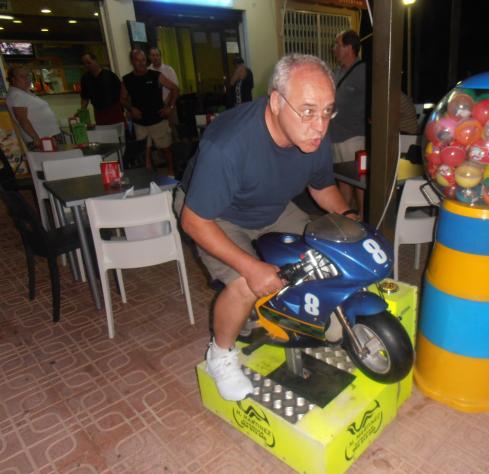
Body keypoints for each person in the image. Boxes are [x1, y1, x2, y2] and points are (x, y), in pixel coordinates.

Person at [180, 54, 357, 401]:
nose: (319, 126)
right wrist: (251, 266)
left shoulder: (314, 135)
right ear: (276, 102)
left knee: (325, 250)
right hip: (213, 213)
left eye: (327, 112)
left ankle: (309, 315)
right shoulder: (228, 144)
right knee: (247, 283)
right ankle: (220, 355)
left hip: (271, 206)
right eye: (308, 111)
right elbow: (193, 220)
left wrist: (348, 217)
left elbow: (322, 188)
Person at [120, 48, 179, 176]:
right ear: (132, 62)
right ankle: (149, 177)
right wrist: (131, 108)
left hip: (158, 120)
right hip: (140, 123)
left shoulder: (155, 75)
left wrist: (170, 107)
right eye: (138, 60)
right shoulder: (127, 79)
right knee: (144, 153)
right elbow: (122, 99)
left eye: (143, 60)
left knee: (166, 149)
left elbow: (175, 89)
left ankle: (171, 173)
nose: (141, 63)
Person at [330, 30, 367, 218]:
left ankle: (364, 218)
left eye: (338, 44)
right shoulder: (338, 72)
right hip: (335, 135)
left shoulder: (364, 71)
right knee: (343, 180)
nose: (334, 48)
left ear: (349, 47)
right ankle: (345, 218)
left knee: (360, 181)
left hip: (354, 136)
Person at [6, 65, 62, 150]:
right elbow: (22, 120)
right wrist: (36, 138)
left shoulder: (24, 93)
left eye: (28, 75)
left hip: (48, 137)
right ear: (12, 79)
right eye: (22, 76)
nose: (27, 79)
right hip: (41, 140)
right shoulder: (16, 95)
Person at [79, 52, 125, 125]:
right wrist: (82, 112)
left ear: (95, 61)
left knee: (119, 130)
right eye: (84, 64)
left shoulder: (109, 75)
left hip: (114, 109)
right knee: (103, 131)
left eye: (89, 62)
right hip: (98, 112)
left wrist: (128, 110)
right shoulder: (85, 78)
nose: (87, 65)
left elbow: (122, 93)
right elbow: (85, 97)